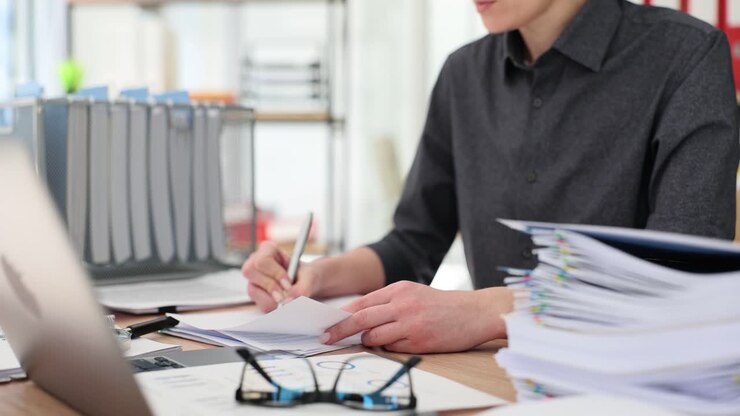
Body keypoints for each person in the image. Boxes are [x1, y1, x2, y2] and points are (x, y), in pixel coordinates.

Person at [242, 0, 740, 353]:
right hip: (484, 378)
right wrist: (317, 276)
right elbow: (414, 244)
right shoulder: (463, 74)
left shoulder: (687, 56)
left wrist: (486, 312)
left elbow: (677, 271)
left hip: (627, 383)